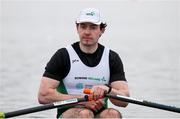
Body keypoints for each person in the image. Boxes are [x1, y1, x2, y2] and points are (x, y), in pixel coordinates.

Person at [38, 8, 130, 118]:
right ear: (77, 28)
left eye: (93, 27)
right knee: (85, 114)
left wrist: (108, 90)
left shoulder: (111, 58)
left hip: (100, 112)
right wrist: (82, 101)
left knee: (112, 114)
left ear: (102, 30)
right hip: (70, 112)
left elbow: (124, 101)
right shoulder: (63, 56)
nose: (87, 32)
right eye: (83, 26)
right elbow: (43, 96)